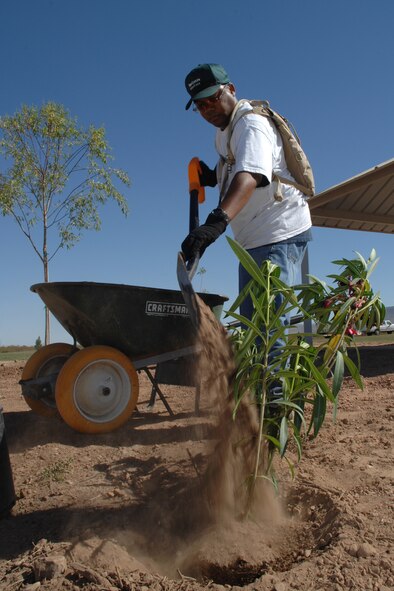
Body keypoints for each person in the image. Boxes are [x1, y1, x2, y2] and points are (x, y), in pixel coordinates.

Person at [181, 63, 312, 329]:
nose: (207, 110)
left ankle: (271, 372)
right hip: (253, 238)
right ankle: (259, 372)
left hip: (278, 231)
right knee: (253, 327)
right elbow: (233, 166)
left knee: (268, 327)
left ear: (230, 89)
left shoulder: (252, 124)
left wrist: (216, 222)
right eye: (200, 106)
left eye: (212, 99)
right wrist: (211, 176)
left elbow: (250, 175)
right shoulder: (223, 133)